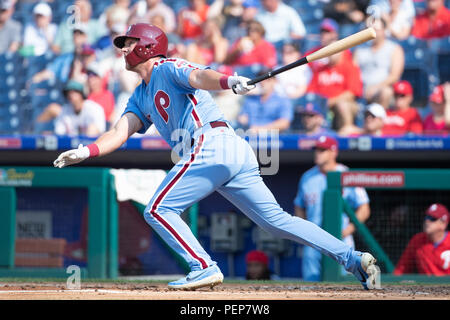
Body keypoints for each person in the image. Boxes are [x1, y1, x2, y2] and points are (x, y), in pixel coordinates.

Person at [53, 23, 379, 290]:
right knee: (278, 222)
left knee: (158, 208)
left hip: (212, 143)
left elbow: (199, 76)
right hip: (230, 150)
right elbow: (119, 132)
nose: (123, 49)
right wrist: (87, 150)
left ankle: (203, 266)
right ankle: (352, 258)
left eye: (129, 42)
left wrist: (228, 81)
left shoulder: (167, 67)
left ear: (148, 45)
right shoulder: (140, 94)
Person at [294, 135, 371, 281]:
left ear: (333, 152)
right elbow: (299, 207)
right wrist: (304, 232)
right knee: (311, 285)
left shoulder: (347, 174)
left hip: (340, 240)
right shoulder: (307, 177)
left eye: (322, 150)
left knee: (345, 286)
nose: (318, 153)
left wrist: (347, 231)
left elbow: (364, 208)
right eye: (316, 149)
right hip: (313, 241)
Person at [306, 19, 363, 134]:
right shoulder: (321, 68)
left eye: (334, 51)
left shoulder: (349, 65)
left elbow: (351, 93)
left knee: (343, 105)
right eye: (329, 51)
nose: (331, 54)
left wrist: (329, 102)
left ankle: (348, 130)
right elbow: (311, 90)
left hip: (343, 105)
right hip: (323, 106)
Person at [353, 17, 404, 109]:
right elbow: (353, 73)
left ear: (384, 30)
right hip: (360, 92)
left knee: (386, 92)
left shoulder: (394, 49)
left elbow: (394, 76)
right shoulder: (360, 49)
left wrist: (375, 88)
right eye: (368, 30)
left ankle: (380, 121)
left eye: (375, 29)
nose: (371, 33)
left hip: (381, 90)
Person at [394, 203, 450, 275]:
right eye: (426, 217)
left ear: (444, 224)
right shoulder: (417, 240)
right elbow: (401, 270)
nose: (427, 221)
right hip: (426, 286)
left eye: (432, 219)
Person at [36, 80, 106, 136]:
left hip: (91, 148)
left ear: (81, 94)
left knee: (92, 129)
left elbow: (100, 131)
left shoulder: (94, 109)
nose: (71, 96)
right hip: (71, 149)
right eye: (68, 93)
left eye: (74, 92)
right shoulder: (65, 110)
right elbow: (60, 133)